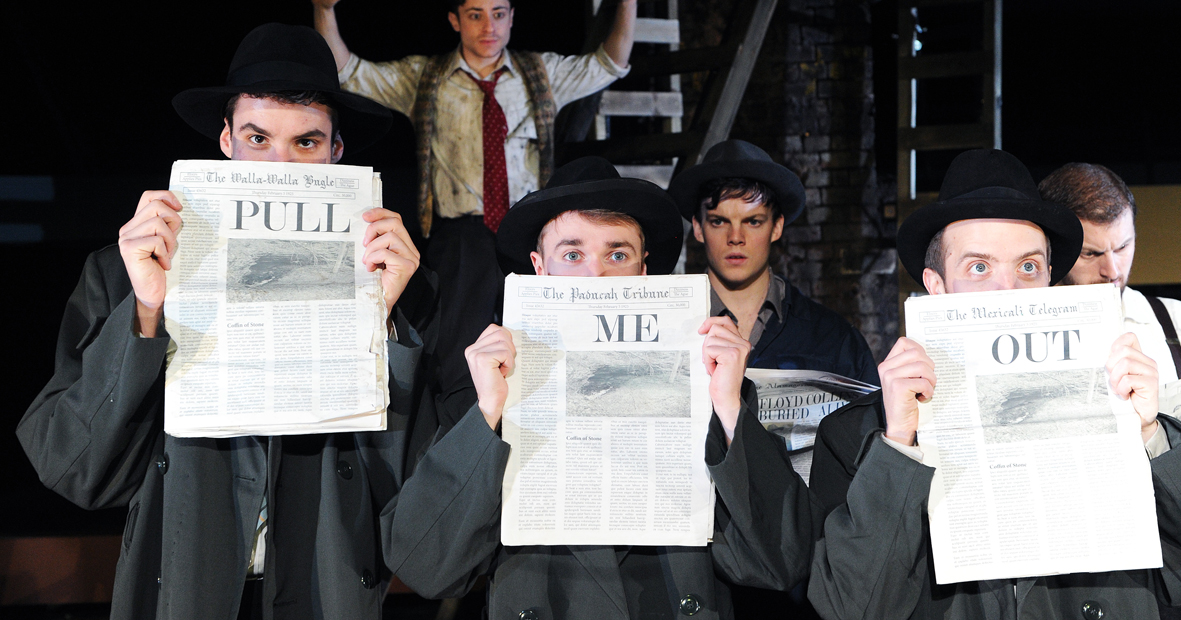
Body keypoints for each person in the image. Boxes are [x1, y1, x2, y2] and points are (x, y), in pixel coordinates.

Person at [16, 24, 474, 620]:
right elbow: (73, 470)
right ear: (227, 140)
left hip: (323, 590)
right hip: (187, 587)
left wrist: (379, 321)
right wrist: (147, 312)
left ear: (337, 153)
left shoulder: (402, 285)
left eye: (306, 143)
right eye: (259, 138)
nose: (279, 165)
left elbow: (417, 504)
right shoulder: (126, 271)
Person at [806, 149, 1181, 619]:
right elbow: (850, 609)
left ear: (1048, 280)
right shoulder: (857, 437)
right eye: (979, 268)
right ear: (936, 286)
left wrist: (1150, 435)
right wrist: (898, 446)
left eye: (1027, 267)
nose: (1009, 291)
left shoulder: (1128, 418)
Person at [375, 157, 817, 620]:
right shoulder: (488, 392)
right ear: (538, 269)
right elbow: (425, 567)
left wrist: (728, 408)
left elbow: (779, 563)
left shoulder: (709, 391)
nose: (595, 277)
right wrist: (486, 414)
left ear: (643, 273)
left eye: (617, 255)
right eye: (572, 255)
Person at [313, 0, 639, 375]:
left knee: (541, 342)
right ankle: (464, 425)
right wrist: (324, 10)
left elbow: (609, 62)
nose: (489, 26)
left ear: (512, 17)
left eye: (499, 14)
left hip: (527, 229)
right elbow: (349, 71)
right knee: (458, 349)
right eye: (475, 15)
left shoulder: (539, 71)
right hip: (462, 236)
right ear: (454, 19)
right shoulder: (426, 76)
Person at [670, 139, 879, 385]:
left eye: (753, 221)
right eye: (719, 221)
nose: (735, 238)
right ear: (698, 228)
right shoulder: (671, 333)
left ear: (776, 227)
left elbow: (872, 422)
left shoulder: (834, 338)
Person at [1039, 162, 1181, 383]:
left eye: (1122, 247)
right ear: (1052, 249)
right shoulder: (1024, 338)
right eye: (1090, 253)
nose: (1112, 271)